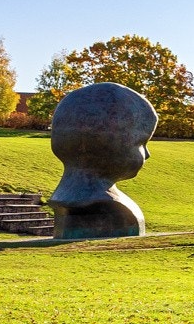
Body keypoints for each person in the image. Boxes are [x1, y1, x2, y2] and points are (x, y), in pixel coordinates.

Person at [48, 83, 158, 239]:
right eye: (141, 143)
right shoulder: (114, 207)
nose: (147, 154)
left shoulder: (62, 197)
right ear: (108, 142)